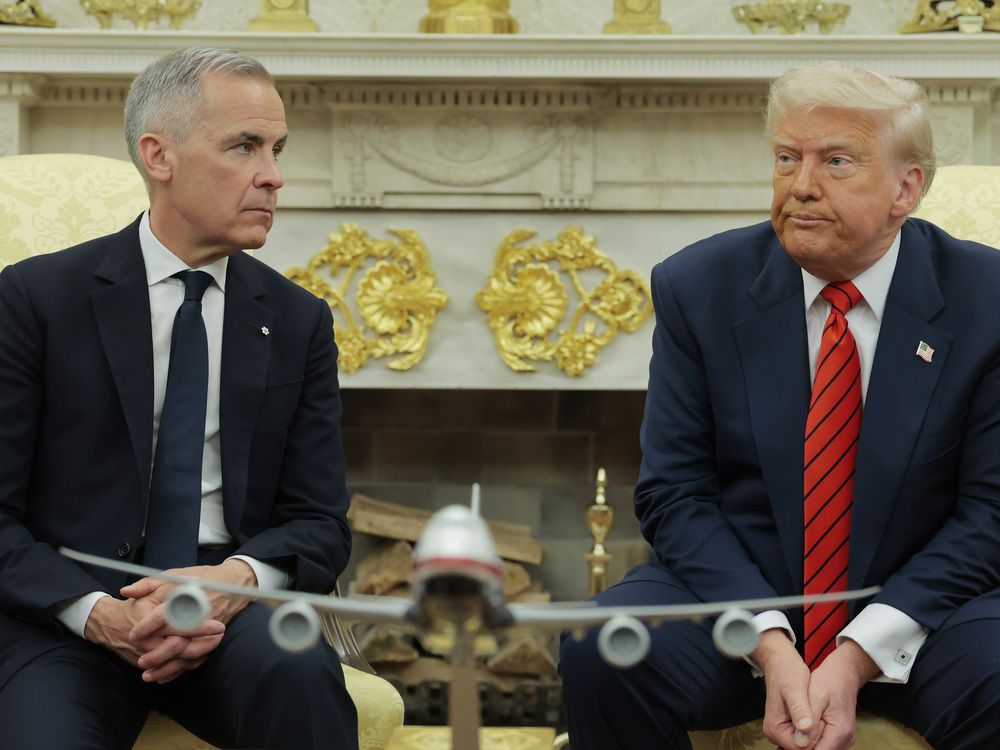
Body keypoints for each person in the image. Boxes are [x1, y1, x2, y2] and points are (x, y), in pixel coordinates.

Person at [560, 62, 1000, 750]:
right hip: (741, 600)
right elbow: (675, 495)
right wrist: (766, 640)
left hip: (931, 612)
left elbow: (990, 515)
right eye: (787, 158)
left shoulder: (986, 301)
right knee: (604, 647)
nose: (801, 186)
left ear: (905, 188)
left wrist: (855, 655)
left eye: (837, 162)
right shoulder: (699, 288)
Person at [0, 48, 358, 749]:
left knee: (302, 678)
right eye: (244, 146)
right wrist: (96, 612)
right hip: (68, 617)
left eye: (277, 149)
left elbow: (320, 522)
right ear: (158, 156)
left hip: (233, 616)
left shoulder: (296, 320)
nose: (274, 176)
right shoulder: (35, 300)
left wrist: (234, 580)